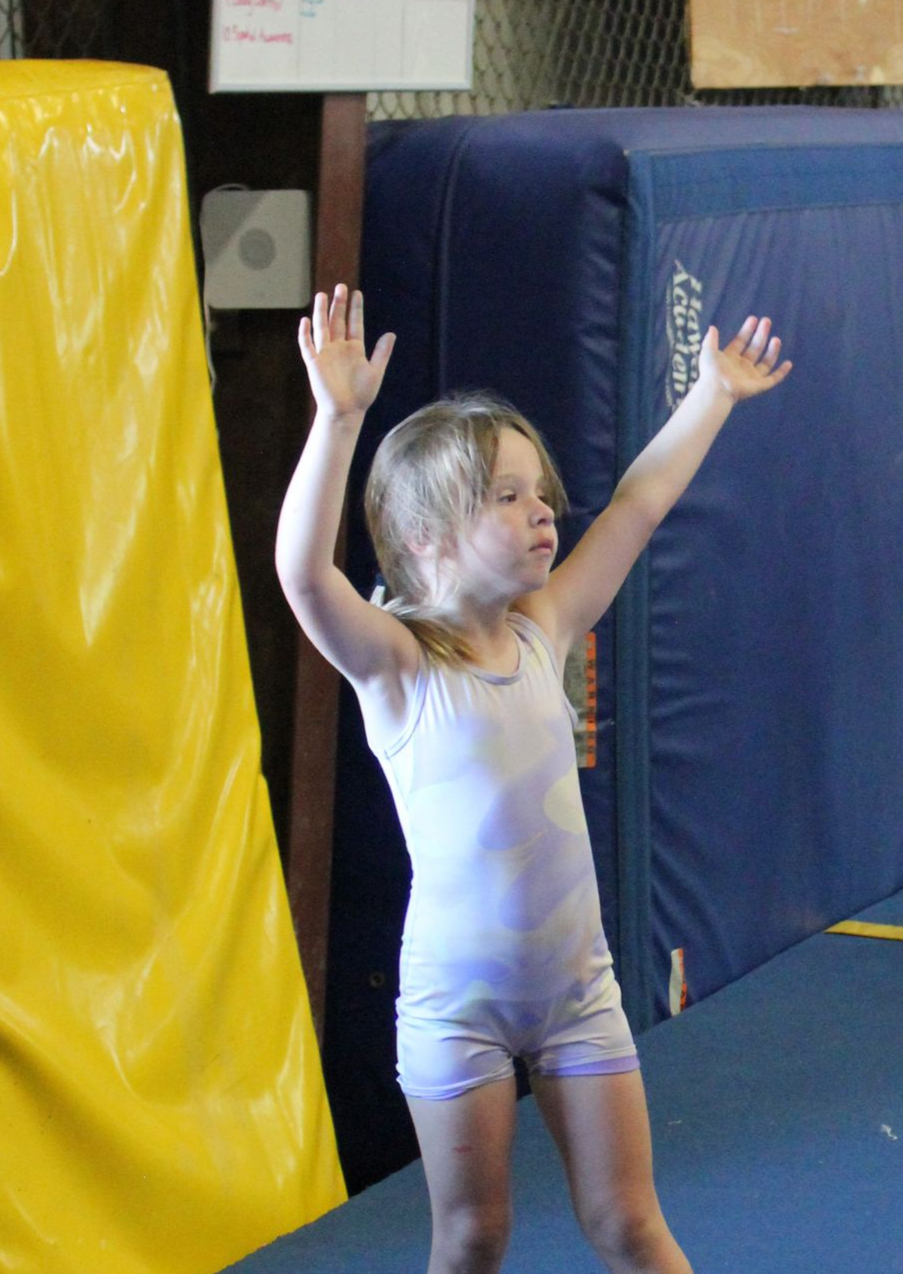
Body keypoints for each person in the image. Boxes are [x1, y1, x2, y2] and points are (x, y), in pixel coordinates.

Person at [275, 284, 790, 1274]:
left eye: (538, 491)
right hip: (454, 1004)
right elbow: (305, 577)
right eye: (504, 498)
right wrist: (338, 421)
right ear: (424, 540)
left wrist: (712, 396)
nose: (540, 511)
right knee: (474, 1234)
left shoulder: (541, 631)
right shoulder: (399, 671)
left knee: (629, 1223)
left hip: (574, 990)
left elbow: (638, 505)